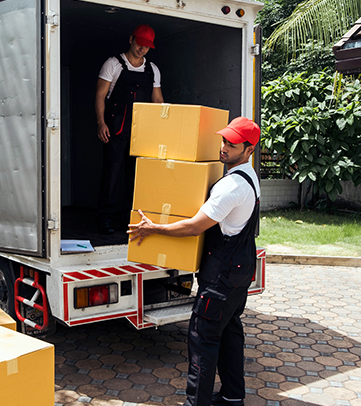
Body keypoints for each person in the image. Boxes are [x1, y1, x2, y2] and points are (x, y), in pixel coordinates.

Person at [128, 117, 261, 406]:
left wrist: (153, 229)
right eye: (224, 140)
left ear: (249, 149)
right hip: (239, 271)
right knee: (229, 333)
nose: (224, 147)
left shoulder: (231, 187)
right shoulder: (250, 177)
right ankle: (232, 396)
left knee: (203, 338)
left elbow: (194, 227)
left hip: (222, 276)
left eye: (232, 144)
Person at [95, 24, 164, 234]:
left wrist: (165, 129)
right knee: (112, 175)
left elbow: (158, 101)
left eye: (147, 46)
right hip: (115, 130)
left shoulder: (152, 69)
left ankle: (129, 220)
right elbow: (100, 95)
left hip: (142, 133)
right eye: (140, 43)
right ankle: (105, 220)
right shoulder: (113, 64)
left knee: (135, 177)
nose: (142, 49)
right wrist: (101, 123)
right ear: (131, 39)